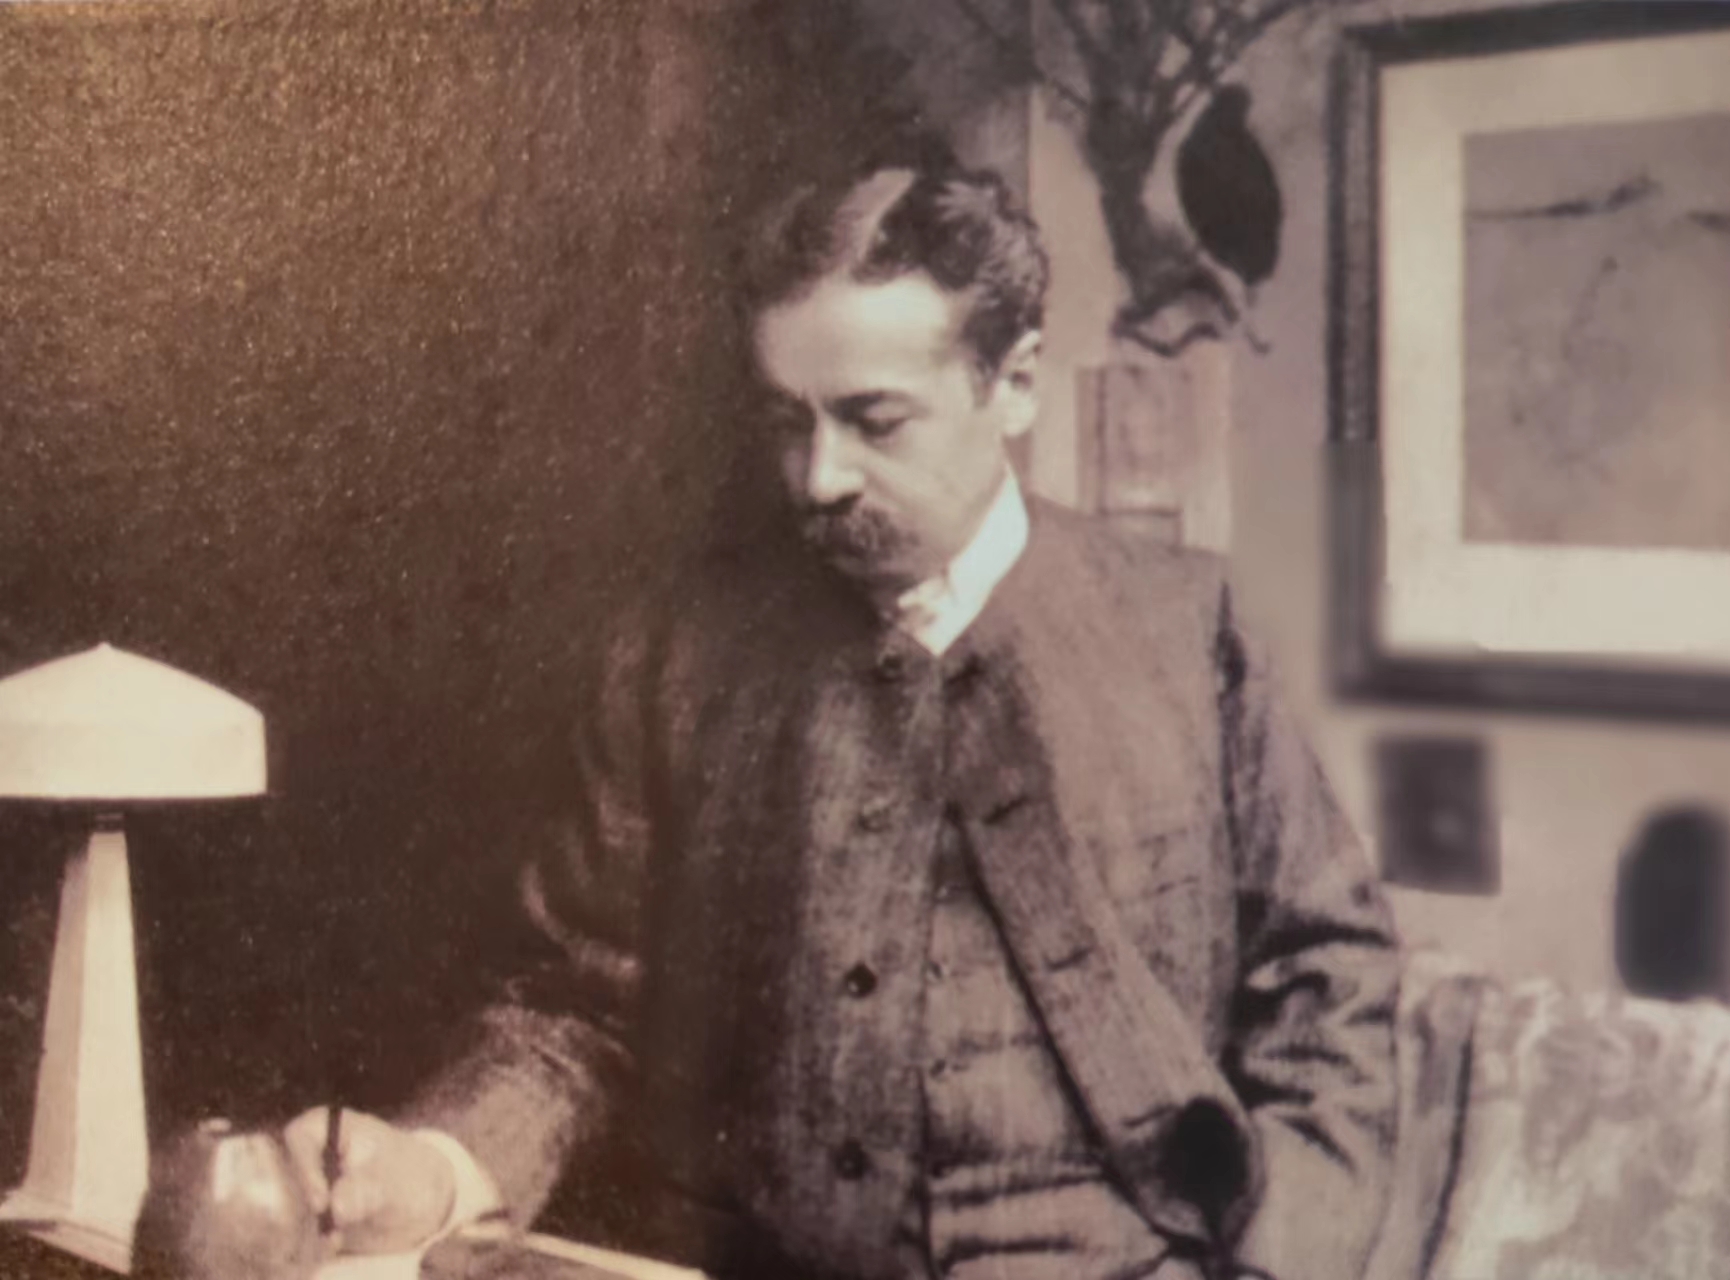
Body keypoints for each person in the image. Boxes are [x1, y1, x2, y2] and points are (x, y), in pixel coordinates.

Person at [285, 153, 1400, 1280]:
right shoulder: (678, 654)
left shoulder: (1185, 631)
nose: (819, 477)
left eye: (874, 420)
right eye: (788, 421)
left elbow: (1329, 985)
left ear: (1013, 383)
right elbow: (565, 1010)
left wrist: (1281, 1263)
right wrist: (436, 1166)